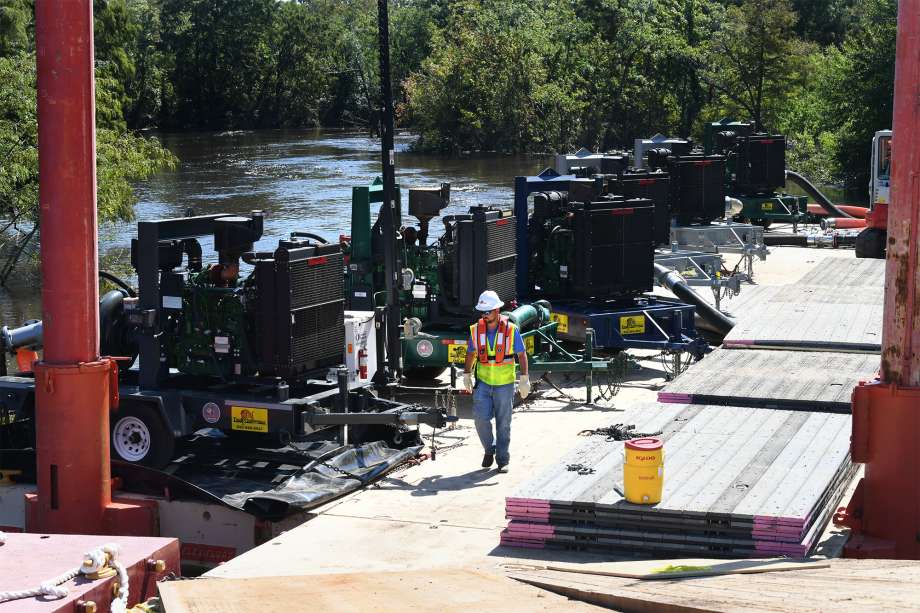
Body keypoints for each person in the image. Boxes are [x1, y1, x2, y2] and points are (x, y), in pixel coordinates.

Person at [463, 290, 530, 473]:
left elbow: (521, 354)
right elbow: (471, 353)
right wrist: (467, 373)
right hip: (483, 383)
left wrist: (524, 378)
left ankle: (502, 460)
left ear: (497, 310)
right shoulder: (476, 330)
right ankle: (489, 449)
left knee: (503, 423)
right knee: (480, 419)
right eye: (482, 312)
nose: (484, 315)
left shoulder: (510, 330)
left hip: (505, 384)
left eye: (488, 311)